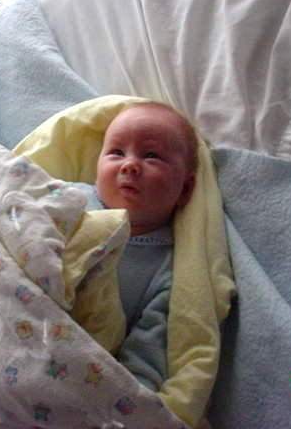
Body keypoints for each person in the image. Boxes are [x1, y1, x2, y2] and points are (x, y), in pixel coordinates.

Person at [73, 101, 198, 392]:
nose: (129, 165)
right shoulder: (73, 201)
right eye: (116, 152)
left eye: (151, 156)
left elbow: (148, 351)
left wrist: (133, 399)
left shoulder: (166, 268)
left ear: (185, 189)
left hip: (81, 372)